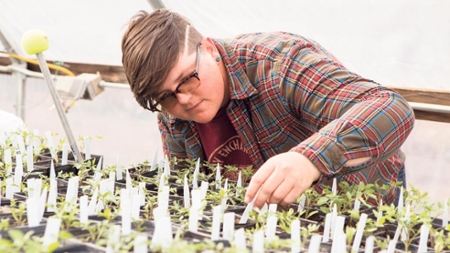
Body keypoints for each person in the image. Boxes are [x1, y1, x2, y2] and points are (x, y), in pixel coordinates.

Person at [121, 9, 415, 209]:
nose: (182, 99)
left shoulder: (279, 64)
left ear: (209, 49)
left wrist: (308, 161)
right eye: (166, 97)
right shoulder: (171, 110)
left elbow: (390, 108)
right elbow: (187, 185)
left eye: (188, 79)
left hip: (357, 206)